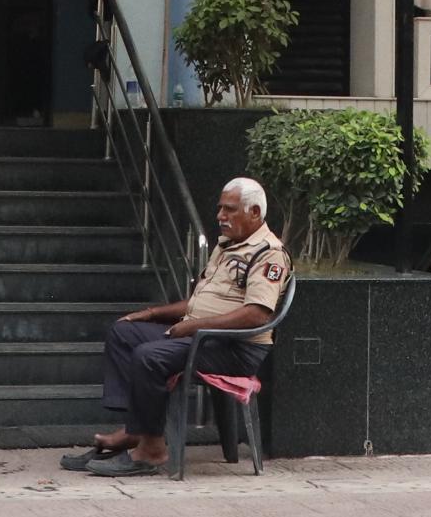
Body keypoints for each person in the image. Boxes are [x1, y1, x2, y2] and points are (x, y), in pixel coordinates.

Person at [68, 177, 292, 476]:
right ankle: (136, 430)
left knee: (149, 356)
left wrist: (193, 327)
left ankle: (152, 451)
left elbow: (257, 315)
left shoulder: (269, 253)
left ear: (254, 212)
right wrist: (152, 313)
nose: (220, 216)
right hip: (203, 335)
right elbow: (198, 302)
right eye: (220, 208)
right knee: (124, 332)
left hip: (235, 347)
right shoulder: (227, 246)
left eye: (230, 209)